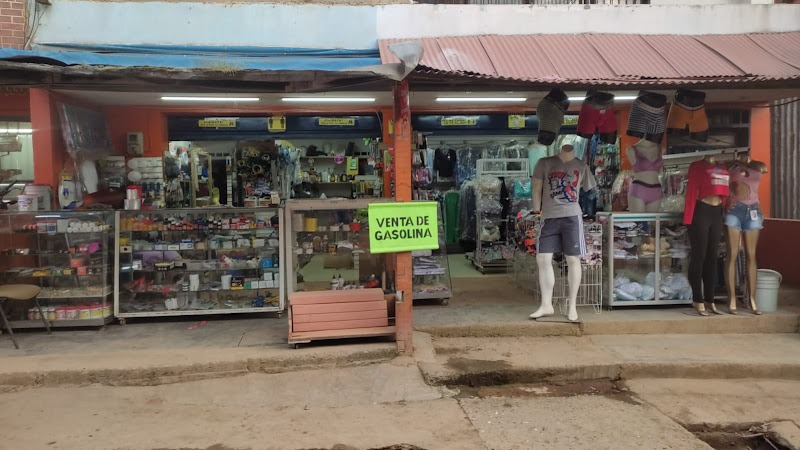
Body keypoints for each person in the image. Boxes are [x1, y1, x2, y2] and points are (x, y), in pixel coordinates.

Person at [529, 143, 597, 322]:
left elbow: (589, 191)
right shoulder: (544, 163)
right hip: (549, 217)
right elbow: (536, 188)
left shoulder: (581, 165)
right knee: (542, 258)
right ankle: (546, 304)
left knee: (573, 259)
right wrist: (536, 210)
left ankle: (572, 305)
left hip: (572, 217)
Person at [724, 153, 767, 315]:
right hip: (735, 210)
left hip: (753, 210)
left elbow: (764, 168)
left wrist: (747, 163)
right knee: (732, 254)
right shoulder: (731, 166)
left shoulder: (758, 166)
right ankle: (732, 298)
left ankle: (752, 299)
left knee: (751, 255)